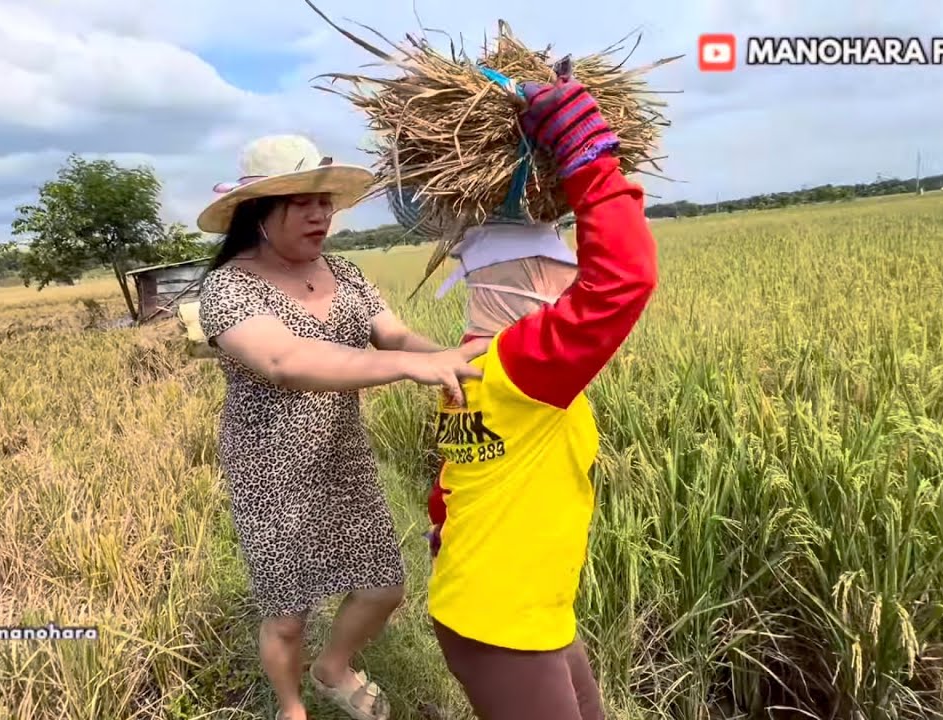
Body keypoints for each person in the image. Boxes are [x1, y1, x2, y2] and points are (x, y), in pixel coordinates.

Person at [394, 73, 660, 719]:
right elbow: (623, 280)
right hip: (501, 620)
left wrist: (444, 528)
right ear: (527, 280)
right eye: (563, 272)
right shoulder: (522, 367)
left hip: (516, 600)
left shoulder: (468, 364)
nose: (572, 283)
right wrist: (588, 157)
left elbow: (456, 473)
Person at [195, 134, 486, 720]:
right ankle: (291, 706)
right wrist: (408, 367)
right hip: (270, 469)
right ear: (257, 212)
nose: (320, 213)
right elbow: (285, 361)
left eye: (324, 200)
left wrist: (467, 363)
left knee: (383, 586)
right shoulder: (228, 287)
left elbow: (397, 336)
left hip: (342, 455)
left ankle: (333, 667)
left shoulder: (346, 274)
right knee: (288, 612)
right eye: (302, 200)